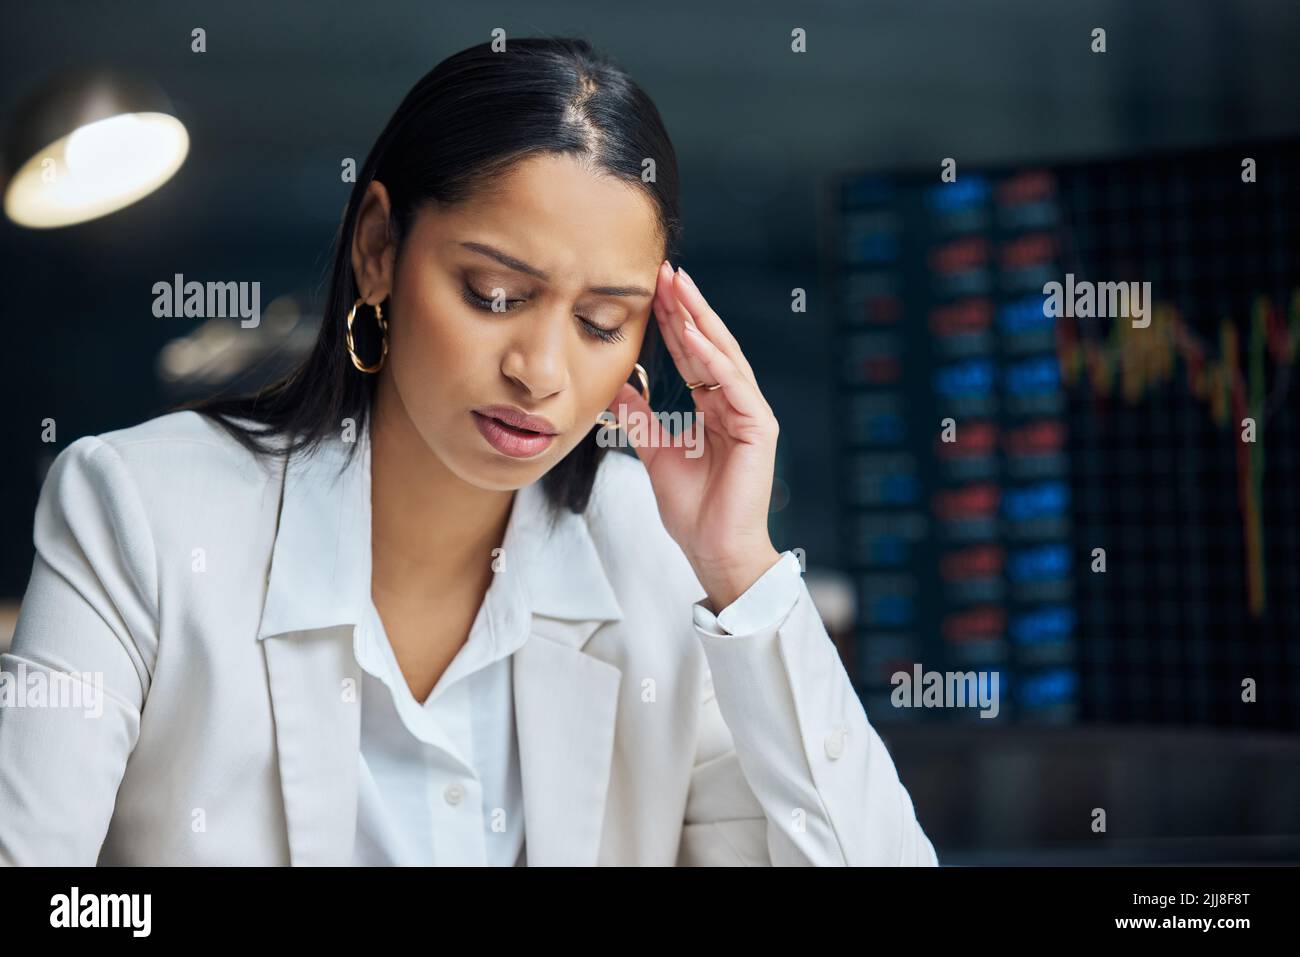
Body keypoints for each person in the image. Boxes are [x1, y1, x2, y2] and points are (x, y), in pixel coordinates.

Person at [0, 36, 937, 866]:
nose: (542, 371)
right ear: (378, 247)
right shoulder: (140, 510)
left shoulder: (654, 555)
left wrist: (740, 568)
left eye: (602, 322)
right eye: (494, 294)